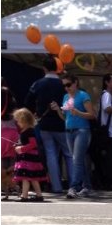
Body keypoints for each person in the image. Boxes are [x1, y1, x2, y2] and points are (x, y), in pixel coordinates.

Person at [24, 56, 73, 194]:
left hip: (44, 124)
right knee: (68, 154)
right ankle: (73, 186)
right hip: (63, 123)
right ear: (57, 67)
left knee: (50, 154)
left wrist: (35, 112)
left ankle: (56, 186)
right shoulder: (64, 84)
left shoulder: (38, 84)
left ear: (44, 68)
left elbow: (27, 101)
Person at [50, 74, 96, 198]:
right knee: (79, 159)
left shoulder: (83, 95)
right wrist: (58, 110)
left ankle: (73, 187)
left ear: (76, 83)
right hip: (69, 131)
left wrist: (78, 112)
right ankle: (87, 186)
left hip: (82, 130)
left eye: (68, 85)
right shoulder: (65, 97)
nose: (66, 88)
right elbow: (65, 117)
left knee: (76, 159)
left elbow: (92, 114)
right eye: (64, 85)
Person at [11, 108, 48, 202]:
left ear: (24, 120)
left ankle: (24, 196)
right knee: (33, 178)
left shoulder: (29, 131)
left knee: (25, 178)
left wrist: (21, 148)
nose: (17, 123)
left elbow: (33, 144)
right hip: (29, 158)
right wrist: (19, 145)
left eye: (18, 121)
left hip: (28, 158)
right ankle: (39, 195)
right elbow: (27, 143)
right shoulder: (26, 131)